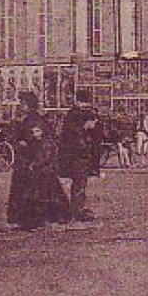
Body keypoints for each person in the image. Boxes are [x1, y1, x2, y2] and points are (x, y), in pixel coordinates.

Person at [7, 92, 67, 229]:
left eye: (22, 103)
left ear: (28, 105)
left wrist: (27, 147)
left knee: (36, 191)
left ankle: (34, 218)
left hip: (34, 161)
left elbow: (41, 143)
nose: (20, 106)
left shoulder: (34, 121)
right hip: (32, 161)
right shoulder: (30, 120)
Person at [58, 89, 105, 221]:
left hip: (72, 153)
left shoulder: (72, 114)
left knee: (78, 182)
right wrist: (88, 127)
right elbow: (98, 134)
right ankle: (76, 211)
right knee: (80, 182)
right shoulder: (86, 114)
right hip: (81, 153)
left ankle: (76, 209)